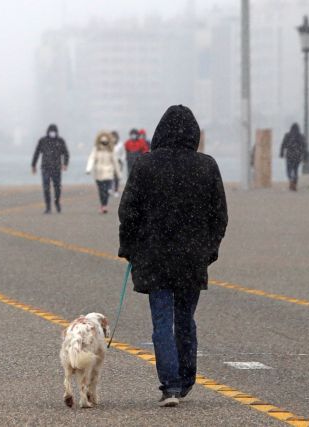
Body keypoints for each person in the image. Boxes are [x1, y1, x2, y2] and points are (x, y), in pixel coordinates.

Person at [118, 105, 228, 407]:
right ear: (194, 134)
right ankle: (186, 378)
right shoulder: (207, 166)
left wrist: (128, 247)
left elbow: (129, 212)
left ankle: (170, 385)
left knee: (162, 321)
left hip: (155, 256)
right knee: (185, 320)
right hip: (192, 258)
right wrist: (209, 249)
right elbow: (219, 215)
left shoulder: (145, 164)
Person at [31, 124, 69, 213]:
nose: (52, 133)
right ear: (48, 131)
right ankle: (48, 207)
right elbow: (36, 153)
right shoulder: (43, 141)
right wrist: (33, 165)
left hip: (56, 168)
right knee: (46, 188)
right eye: (51, 131)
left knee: (57, 187)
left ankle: (57, 202)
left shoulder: (60, 141)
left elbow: (66, 153)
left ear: (57, 132)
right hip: (45, 168)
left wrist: (65, 164)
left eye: (54, 131)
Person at [86, 131, 121, 214]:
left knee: (106, 190)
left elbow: (115, 162)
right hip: (98, 174)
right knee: (101, 191)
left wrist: (118, 174)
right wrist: (88, 169)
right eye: (102, 142)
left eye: (105, 141)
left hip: (109, 174)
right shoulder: (96, 149)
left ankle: (104, 205)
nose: (104, 143)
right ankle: (103, 205)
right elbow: (91, 158)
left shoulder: (111, 150)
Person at [279, 123, 306, 191]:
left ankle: (291, 179)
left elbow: (283, 145)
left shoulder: (287, 135)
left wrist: (281, 153)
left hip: (289, 155)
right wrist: (304, 156)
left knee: (289, 169)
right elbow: (304, 147)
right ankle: (294, 183)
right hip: (298, 156)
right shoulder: (301, 136)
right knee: (295, 170)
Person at [111, 131, 125, 197]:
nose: (113, 138)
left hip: (118, 162)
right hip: (110, 163)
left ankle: (116, 190)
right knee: (110, 176)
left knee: (116, 177)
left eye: (114, 137)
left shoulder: (120, 144)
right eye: (112, 137)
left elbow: (123, 153)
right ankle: (111, 188)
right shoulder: (109, 144)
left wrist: (121, 160)